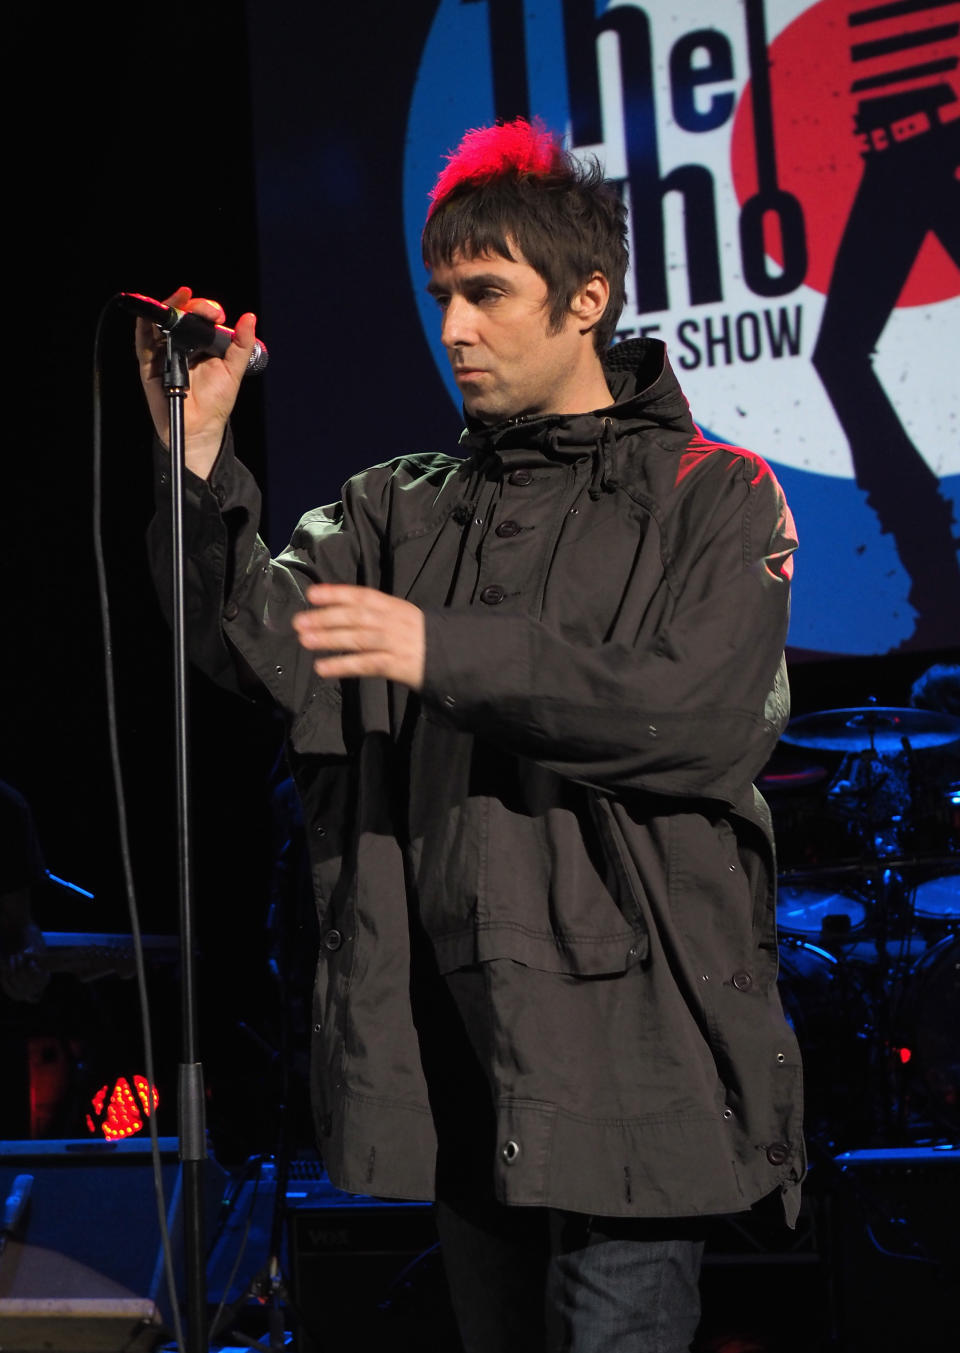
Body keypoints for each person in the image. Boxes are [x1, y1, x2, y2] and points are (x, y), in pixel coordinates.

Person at [138, 119, 804, 1353]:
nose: (453, 328)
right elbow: (257, 642)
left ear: (587, 298)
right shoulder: (400, 509)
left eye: (488, 294)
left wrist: (439, 651)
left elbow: (695, 715)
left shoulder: (717, 494)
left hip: (630, 1042)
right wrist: (197, 451)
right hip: (458, 1038)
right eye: (443, 294)